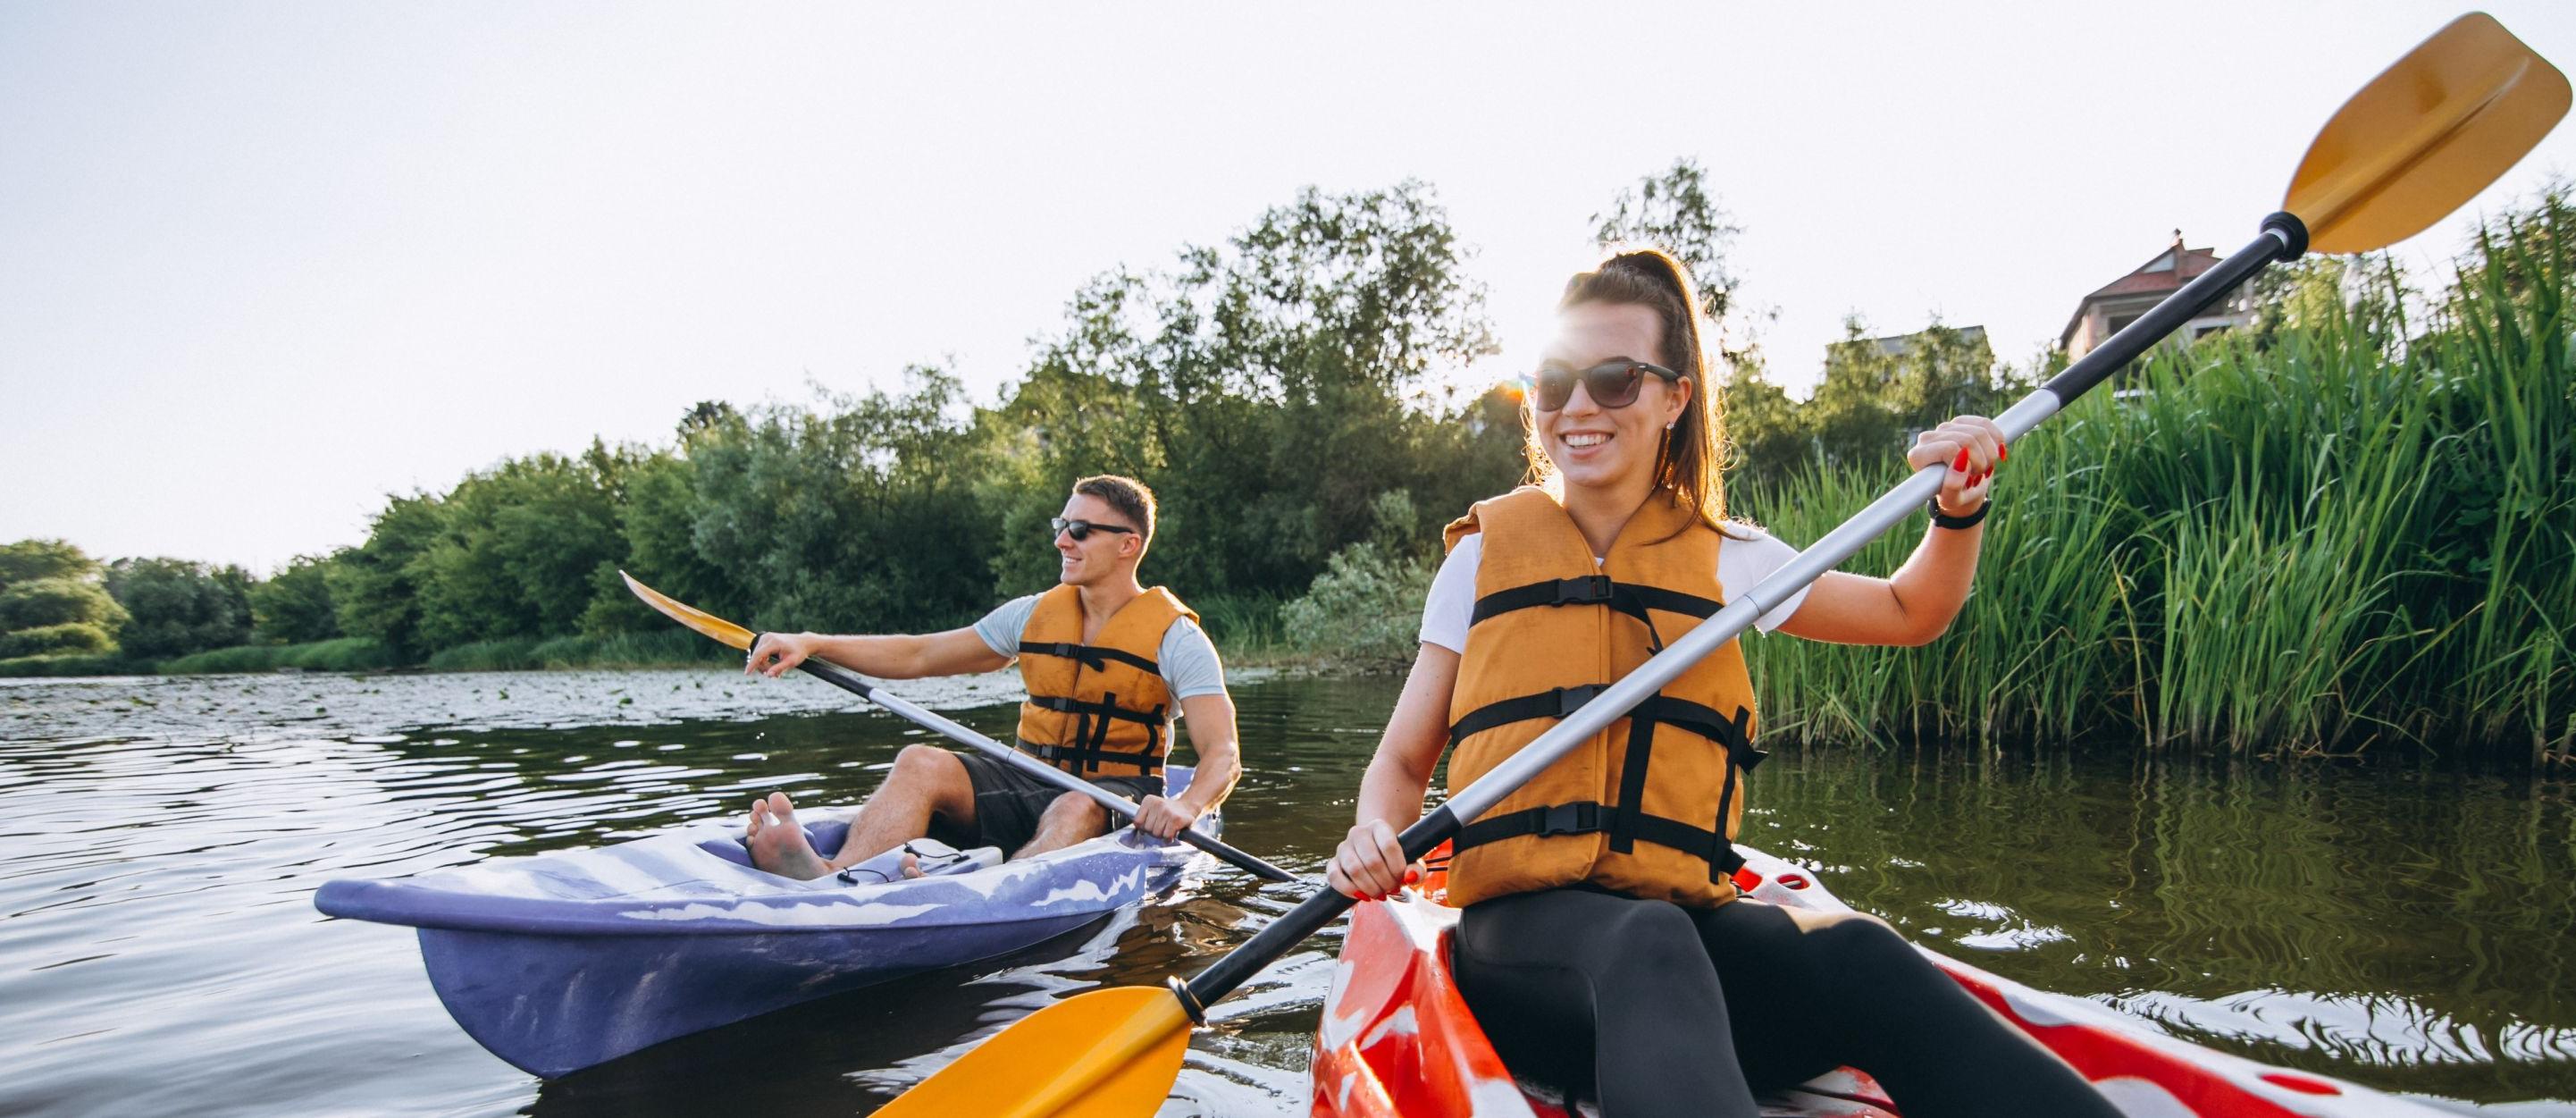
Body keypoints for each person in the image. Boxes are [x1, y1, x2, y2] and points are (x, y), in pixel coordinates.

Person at [1323, 250, 2123, 1117]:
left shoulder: (1729, 557)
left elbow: (1906, 610)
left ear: (1674, 397)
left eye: (1615, 379)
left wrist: (1956, 510)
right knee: (1648, 942)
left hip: (1680, 940)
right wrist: (1374, 835)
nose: (1580, 405)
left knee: (1860, 954)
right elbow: (1403, 764)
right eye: (1554, 380)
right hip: (1526, 959)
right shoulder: (1482, 558)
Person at [742, 474, 1241, 880]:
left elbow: (1223, 755)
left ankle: (978, 891)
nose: (1061, 540)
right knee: (919, 761)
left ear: (1128, 545)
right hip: (1026, 779)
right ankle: (834, 876)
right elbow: (919, 655)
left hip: (1111, 795)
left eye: (1081, 530)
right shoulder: (1030, 615)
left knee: (1075, 806)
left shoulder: (1176, 639)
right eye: (1061, 524)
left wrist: (1188, 804)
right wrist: (814, 643)